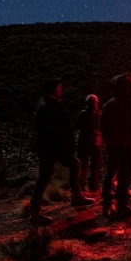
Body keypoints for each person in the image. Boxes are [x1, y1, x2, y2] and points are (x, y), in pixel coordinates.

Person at [29, 78, 94, 226]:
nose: (61, 89)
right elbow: (52, 130)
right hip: (52, 148)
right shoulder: (47, 106)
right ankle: (34, 212)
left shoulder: (48, 103)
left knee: (74, 164)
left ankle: (76, 196)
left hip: (54, 147)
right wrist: (64, 144)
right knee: (44, 177)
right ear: (53, 89)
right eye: (59, 87)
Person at [100, 74, 131, 217]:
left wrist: (108, 137)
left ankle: (107, 203)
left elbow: (102, 125)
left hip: (112, 143)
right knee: (125, 174)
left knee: (110, 172)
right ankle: (122, 205)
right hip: (127, 143)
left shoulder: (109, 104)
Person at [75, 94, 102, 193]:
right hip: (96, 142)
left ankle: (82, 186)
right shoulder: (99, 114)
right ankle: (93, 186)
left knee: (83, 165)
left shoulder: (83, 113)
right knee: (94, 165)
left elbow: (76, 125)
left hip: (84, 141)